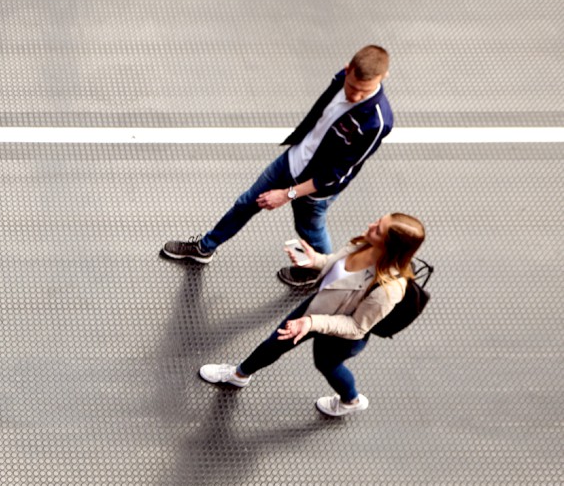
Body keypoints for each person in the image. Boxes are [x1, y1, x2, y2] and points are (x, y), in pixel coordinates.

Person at [162, 46, 393, 287]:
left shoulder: (376, 123)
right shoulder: (341, 78)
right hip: (291, 161)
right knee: (245, 203)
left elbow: (335, 175)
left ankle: (316, 270)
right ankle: (205, 248)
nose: (354, 96)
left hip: (314, 189)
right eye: (352, 87)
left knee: (310, 231)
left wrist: (287, 194)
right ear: (348, 70)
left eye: (362, 93)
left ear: (382, 78)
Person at [198, 213, 425, 417]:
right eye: (378, 221)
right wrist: (314, 260)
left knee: (327, 365)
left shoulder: (388, 289)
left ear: (390, 245)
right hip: (318, 307)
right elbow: (336, 266)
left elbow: (357, 327)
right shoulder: (363, 243)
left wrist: (311, 323)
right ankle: (239, 374)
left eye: (378, 229)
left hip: (338, 335)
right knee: (276, 342)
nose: (370, 225)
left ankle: (351, 400)